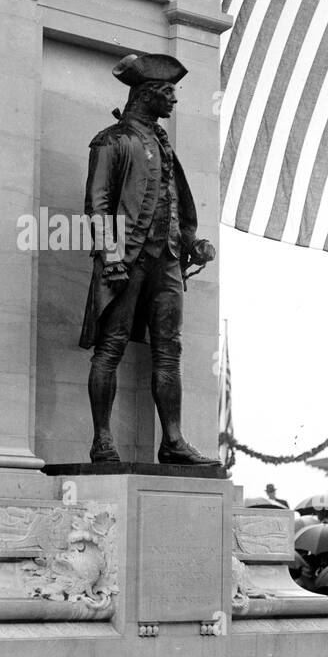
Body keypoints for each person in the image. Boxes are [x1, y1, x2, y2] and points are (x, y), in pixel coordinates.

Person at [79, 51, 217, 464]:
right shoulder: (112, 140)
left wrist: (190, 241)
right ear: (147, 94)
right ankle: (102, 439)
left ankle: (172, 441)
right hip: (127, 260)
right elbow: (97, 204)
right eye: (169, 93)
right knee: (111, 347)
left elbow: (175, 201)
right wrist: (111, 254)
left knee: (169, 349)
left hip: (168, 259)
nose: (174, 101)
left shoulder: (163, 144)